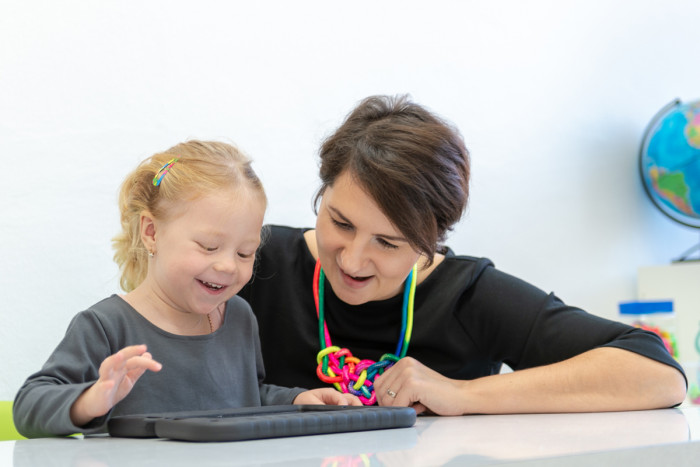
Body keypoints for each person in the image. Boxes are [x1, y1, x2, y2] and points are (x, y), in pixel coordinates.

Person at [239, 95, 687, 415]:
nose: (353, 260)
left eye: (389, 243)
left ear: (431, 239)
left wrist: (463, 395)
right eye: (341, 223)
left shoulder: (468, 294)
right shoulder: (254, 261)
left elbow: (656, 372)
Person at [13, 140, 359, 438]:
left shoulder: (239, 317)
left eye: (245, 252)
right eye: (209, 246)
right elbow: (29, 406)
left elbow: (249, 397)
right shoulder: (106, 325)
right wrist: (92, 399)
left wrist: (296, 400)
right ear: (151, 232)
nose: (227, 265)